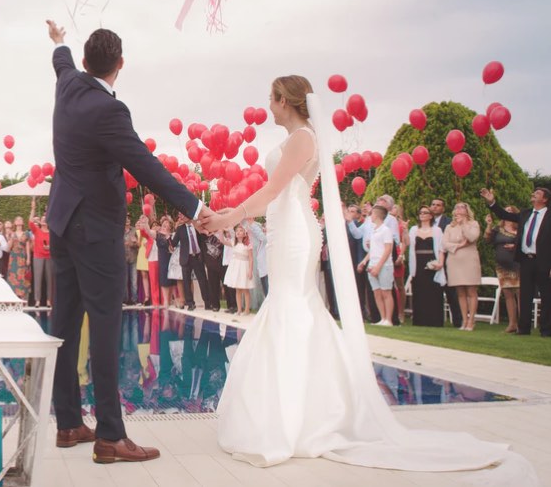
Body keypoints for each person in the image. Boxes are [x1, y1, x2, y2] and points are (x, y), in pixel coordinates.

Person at [210, 76, 516, 476]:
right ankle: (301, 409)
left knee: (293, 304)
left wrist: (228, 216)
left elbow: (272, 190)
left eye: (271, 98)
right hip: (286, 227)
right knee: (292, 304)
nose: (268, 105)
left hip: (294, 231)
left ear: (285, 100)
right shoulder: (301, 135)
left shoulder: (302, 137)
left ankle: (301, 417)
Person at [44, 20, 211, 464]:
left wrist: (58, 40)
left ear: (83, 61)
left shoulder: (67, 85)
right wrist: (195, 209)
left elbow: (59, 60)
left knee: (62, 327)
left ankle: (67, 423)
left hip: (60, 222)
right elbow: (146, 166)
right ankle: (110, 436)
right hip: (95, 232)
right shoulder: (108, 110)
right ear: (120, 64)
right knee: (103, 326)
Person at [481, 186, 550, 337]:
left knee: (546, 295)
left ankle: (546, 330)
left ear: (544, 199)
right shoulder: (525, 213)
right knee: (525, 295)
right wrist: (492, 202)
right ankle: (523, 329)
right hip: (526, 260)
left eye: (537, 193)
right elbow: (504, 214)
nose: (533, 194)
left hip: (544, 261)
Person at [442, 202, 481, 331]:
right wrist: (459, 245)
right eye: (456, 207)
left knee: (471, 290)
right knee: (460, 292)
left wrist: (464, 224)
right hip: (454, 260)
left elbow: (472, 237)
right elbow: (445, 244)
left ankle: (471, 320)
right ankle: (464, 320)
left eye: (461, 207)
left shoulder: (473, 224)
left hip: (469, 260)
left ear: (466, 210)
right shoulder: (449, 226)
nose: (458, 209)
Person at [355, 205, 395, 326]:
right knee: (377, 292)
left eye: (372, 214)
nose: (370, 216)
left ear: (376, 215)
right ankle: (382, 318)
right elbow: (373, 249)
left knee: (386, 292)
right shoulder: (374, 230)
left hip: (384, 265)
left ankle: (389, 319)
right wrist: (364, 261)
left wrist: (379, 266)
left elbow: (388, 249)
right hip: (372, 264)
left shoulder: (386, 230)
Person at [407, 205, 445, 327]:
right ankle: (419, 320)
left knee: (433, 291)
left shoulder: (437, 230)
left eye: (425, 212)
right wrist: (403, 230)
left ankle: (434, 320)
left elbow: (441, 248)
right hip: (418, 262)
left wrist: (440, 263)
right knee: (419, 291)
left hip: (432, 261)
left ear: (430, 215)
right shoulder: (413, 229)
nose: (422, 214)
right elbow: (408, 244)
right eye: (420, 212)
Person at [485, 207, 520, 333]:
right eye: (506, 210)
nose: (508, 212)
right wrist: (489, 225)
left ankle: (522, 324)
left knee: (519, 294)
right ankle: (512, 324)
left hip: (517, 265)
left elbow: (527, 242)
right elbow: (487, 240)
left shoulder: (520, 227)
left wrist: (515, 246)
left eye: (510, 210)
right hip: (502, 266)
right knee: (508, 294)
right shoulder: (498, 229)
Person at [429, 197, 462, 327]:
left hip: (447, 261)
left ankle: (458, 321)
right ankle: (434, 319)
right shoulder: (426, 222)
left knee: (451, 292)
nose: (435, 207)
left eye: (438, 205)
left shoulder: (449, 223)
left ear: (443, 208)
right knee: (432, 291)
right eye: (433, 204)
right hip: (431, 260)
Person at [172, 214, 211, 310]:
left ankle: (207, 302)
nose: (181, 217)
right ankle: (190, 303)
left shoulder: (197, 226)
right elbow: (173, 243)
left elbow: (204, 239)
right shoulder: (180, 229)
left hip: (197, 256)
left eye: (183, 215)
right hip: (186, 258)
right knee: (186, 281)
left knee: (202, 280)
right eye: (180, 215)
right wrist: (166, 237)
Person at [222, 225, 255, 315]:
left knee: (245, 289)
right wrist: (220, 231)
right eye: (237, 231)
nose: (238, 232)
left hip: (244, 267)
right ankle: (239, 309)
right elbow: (223, 241)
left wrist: (250, 270)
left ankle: (247, 309)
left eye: (241, 231)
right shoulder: (234, 243)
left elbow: (251, 258)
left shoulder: (248, 244)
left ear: (245, 233)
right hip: (236, 267)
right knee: (238, 289)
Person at [29, 199, 52, 307]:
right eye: (42, 219)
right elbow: (30, 222)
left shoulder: (52, 232)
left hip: (49, 256)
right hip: (38, 256)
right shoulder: (37, 230)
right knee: (37, 278)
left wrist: (50, 247)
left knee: (49, 279)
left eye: (45, 218)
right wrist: (33, 208)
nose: (43, 220)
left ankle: (48, 300)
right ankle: (37, 300)